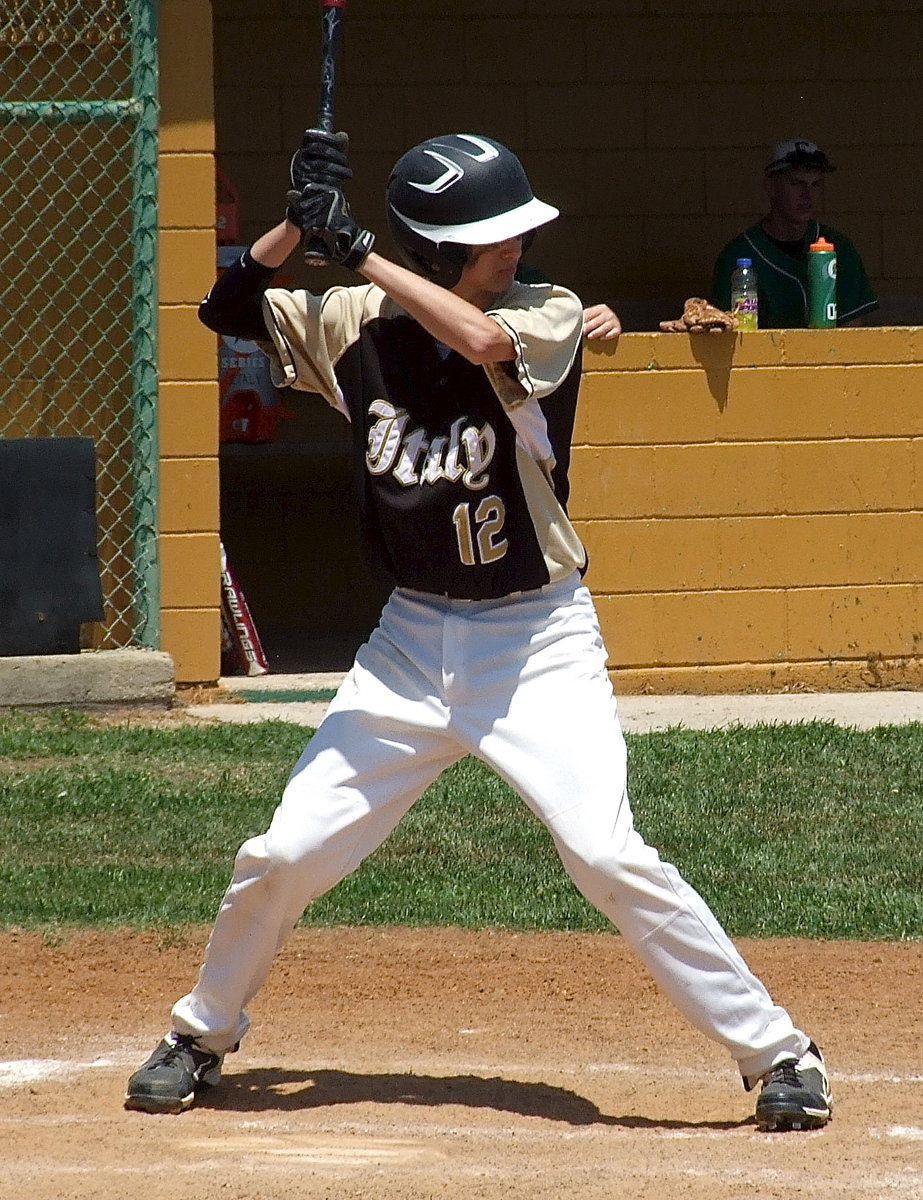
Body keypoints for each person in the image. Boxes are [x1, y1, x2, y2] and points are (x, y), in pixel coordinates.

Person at [125, 131, 832, 1132]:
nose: (518, 247)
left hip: (534, 642)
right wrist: (297, 221)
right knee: (281, 854)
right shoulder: (352, 322)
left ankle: (777, 1054)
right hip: (407, 649)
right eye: (494, 238)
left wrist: (358, 247)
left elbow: (483, 345)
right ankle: (199, 1033)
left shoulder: (542, 313)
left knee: (604, 854)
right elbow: (224, 311)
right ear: (441, 249)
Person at [712, 138, 878, 328]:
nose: (807, 195)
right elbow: (724, 334)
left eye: (815, 184)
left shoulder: (840, 248)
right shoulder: (738, 254)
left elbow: (854, 332)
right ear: (771, 186)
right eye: (797, 183)